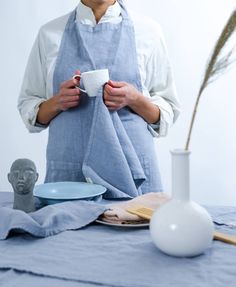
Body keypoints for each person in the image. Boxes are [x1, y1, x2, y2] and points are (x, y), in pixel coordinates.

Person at [18, 0, 180, 199]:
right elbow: (28, 105)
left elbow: (167, 111)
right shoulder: (49, 33)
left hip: (132, 172)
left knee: (134, 228)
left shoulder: (148, 31)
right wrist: (58, 102)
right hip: (70, 174)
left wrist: (134, 98)